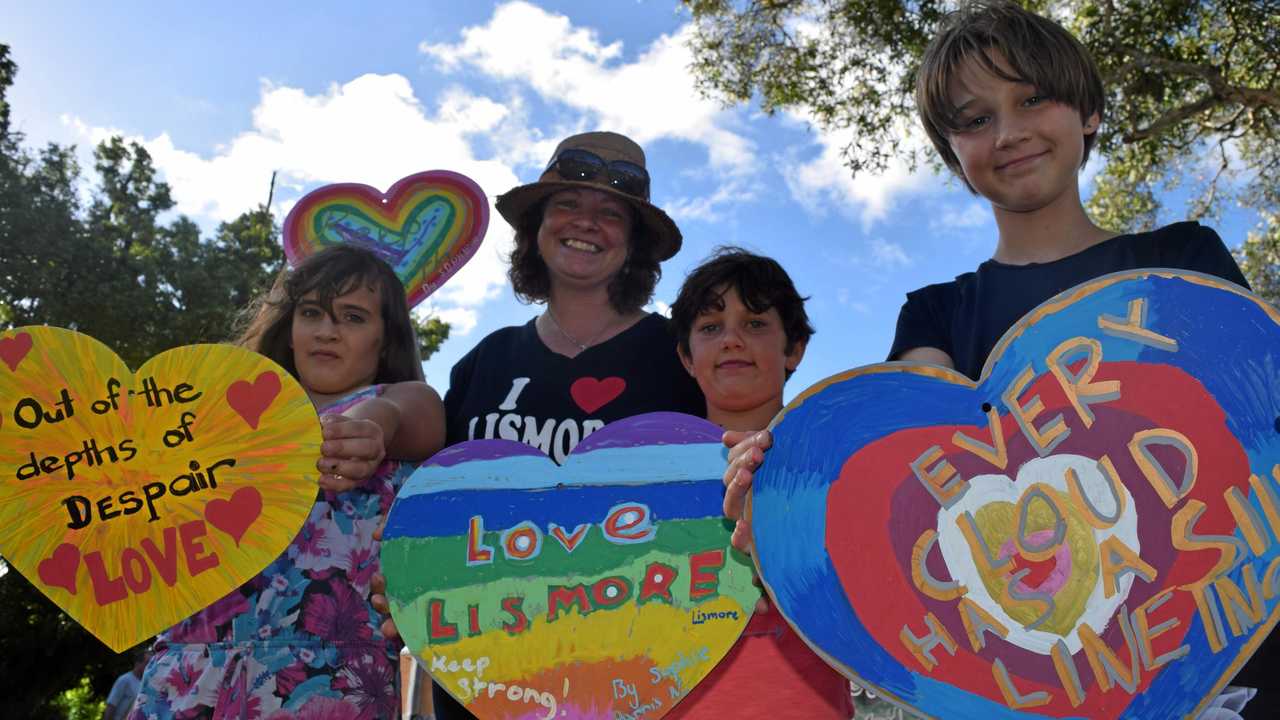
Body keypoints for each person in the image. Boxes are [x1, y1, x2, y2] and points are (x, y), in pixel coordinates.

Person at [721, 2, 1263, 717]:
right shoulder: (939, 312)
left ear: (1089, 113)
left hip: (1230, 663)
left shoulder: (1179, 263)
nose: (1008, 133)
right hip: (1037, 688)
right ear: (955, 156)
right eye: (974, 120)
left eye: (1032, 98)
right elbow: (899, 432)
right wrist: (785, 487)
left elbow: (1259, 423)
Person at [405, 130, 702, 719]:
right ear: (537, 227)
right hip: (483, 673)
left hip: (635, 674)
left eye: (610, 213)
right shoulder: (484, 361)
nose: (586, 222)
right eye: (568, 203)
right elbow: (432, 505)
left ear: (634, 242)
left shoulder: (684, 355)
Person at [127, 245, 446, 719]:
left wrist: (369, 424)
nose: (326, 331)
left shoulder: (405, 400)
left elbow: (406, 416)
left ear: (386, 340)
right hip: (190, 667)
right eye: (311, 312)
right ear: (290, 330)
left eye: (353, 318)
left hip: (328, 679)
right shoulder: (221, 419)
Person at [666, 247, 853, 719]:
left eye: (755, 324)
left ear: (794, 349)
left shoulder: (840, 469)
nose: (731, 339)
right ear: (687, 358)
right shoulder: (649, 477)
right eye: (710, 328)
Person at [103, 650, 147, 720]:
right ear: (137, 663)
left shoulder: (145, 684)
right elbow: (111, 705)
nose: (149, 667)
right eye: (147, 663)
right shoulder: (125, 679)